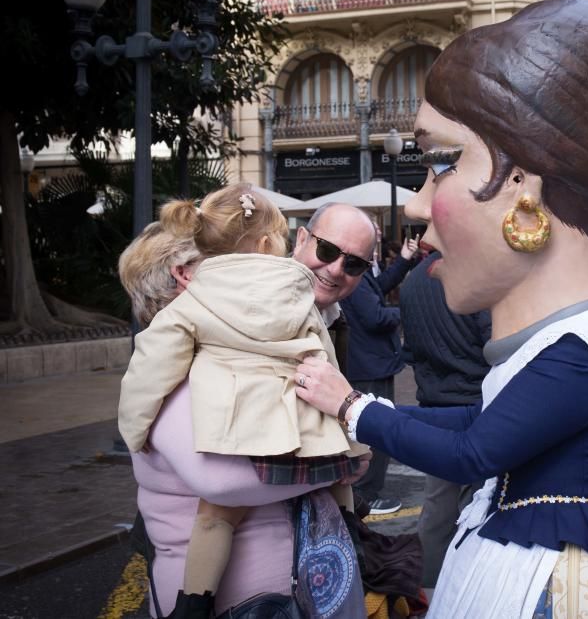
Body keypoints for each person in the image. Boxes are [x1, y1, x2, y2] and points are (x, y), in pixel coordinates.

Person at [293, 0, 588, 617]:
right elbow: (476, 421)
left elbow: (474, 451)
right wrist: (364, 412)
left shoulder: (578, 357)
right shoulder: (564, 347)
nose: (416, 207)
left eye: (440, 163)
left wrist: (352, 407)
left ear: (522, 186)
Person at [117, 214, 370, 618]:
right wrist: (340, 463)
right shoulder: (176, 374)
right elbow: (222, 483)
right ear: (184, 276)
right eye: (232, 263)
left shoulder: (225, 353)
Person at [399, 250, 491, 595]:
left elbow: (409, 350)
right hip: (475, 402)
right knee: (480, 502)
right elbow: (493, 342)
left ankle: (427, 589)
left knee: (439, 506)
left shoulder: (413, 282)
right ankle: (468, 588)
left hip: (434, 400)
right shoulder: (470, 273)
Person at [340, 229, 420, 515]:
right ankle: (367, 495)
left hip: (370, 362)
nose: (376, 236)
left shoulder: (360, 272)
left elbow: (380, 285)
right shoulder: (356, 276)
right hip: (369, 364)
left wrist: (404, 260)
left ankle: (365, 492)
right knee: (375, 430)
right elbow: (375, 317)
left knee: (371, 427)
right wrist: (409, 310)